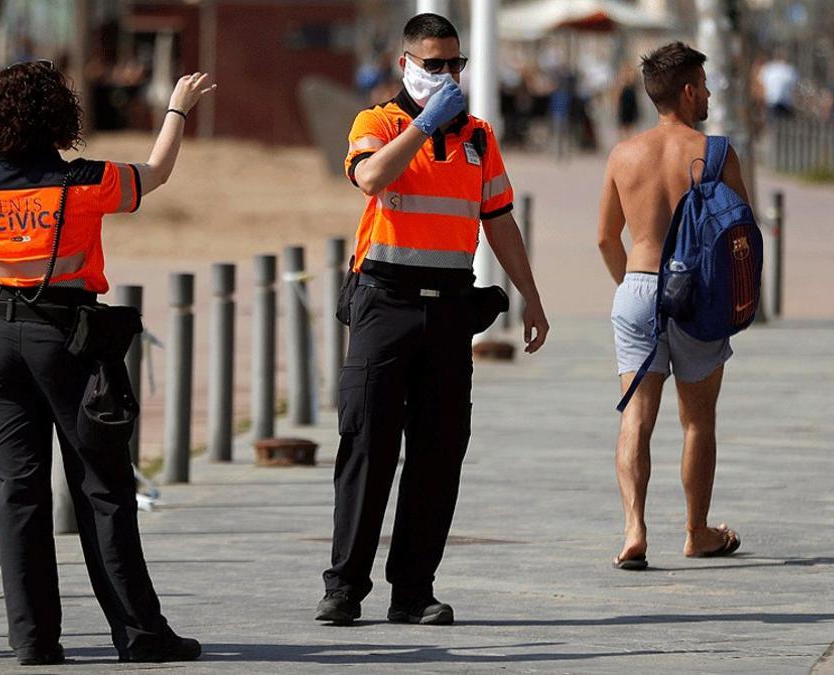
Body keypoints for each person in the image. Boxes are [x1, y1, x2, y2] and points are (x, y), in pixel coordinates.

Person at [0, 61, 214, 666]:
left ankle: (33, 639)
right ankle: (139, 633)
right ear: (62, 116)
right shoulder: (83, 180)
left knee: (17, 494)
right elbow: (155, 174)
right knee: (103, 490)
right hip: (67, 342)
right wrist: (177, 109)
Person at [316, 13, 549, 627]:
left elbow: (498, 220)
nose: (445, 76)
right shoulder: (379, 123)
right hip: (383, 302)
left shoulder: (477, 137)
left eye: (454, 65)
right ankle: (344, 586)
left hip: (448, 306)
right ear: (405, 66)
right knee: (367, 443)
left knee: (440, 451)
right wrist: (422, 124)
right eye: (433, 65)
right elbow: (370, 177)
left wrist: (530, 295)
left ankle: (413, 590)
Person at [596, 42, 750, 570]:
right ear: (687, 92)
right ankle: (696, 531)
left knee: (636, 418)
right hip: (698, 295)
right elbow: (739, 238)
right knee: (696, 421)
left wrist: (633, 288)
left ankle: (634, 529)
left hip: (638, 287)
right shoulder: (718, 153)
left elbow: (604, 238)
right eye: (704, 86)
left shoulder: (623, 154)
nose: (708, 94)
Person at [757, 48, 798, 119]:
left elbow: (761, 84)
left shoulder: (768, 68)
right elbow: (794, 87)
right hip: (781, 102)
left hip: (776, 101)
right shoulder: (789, 70)